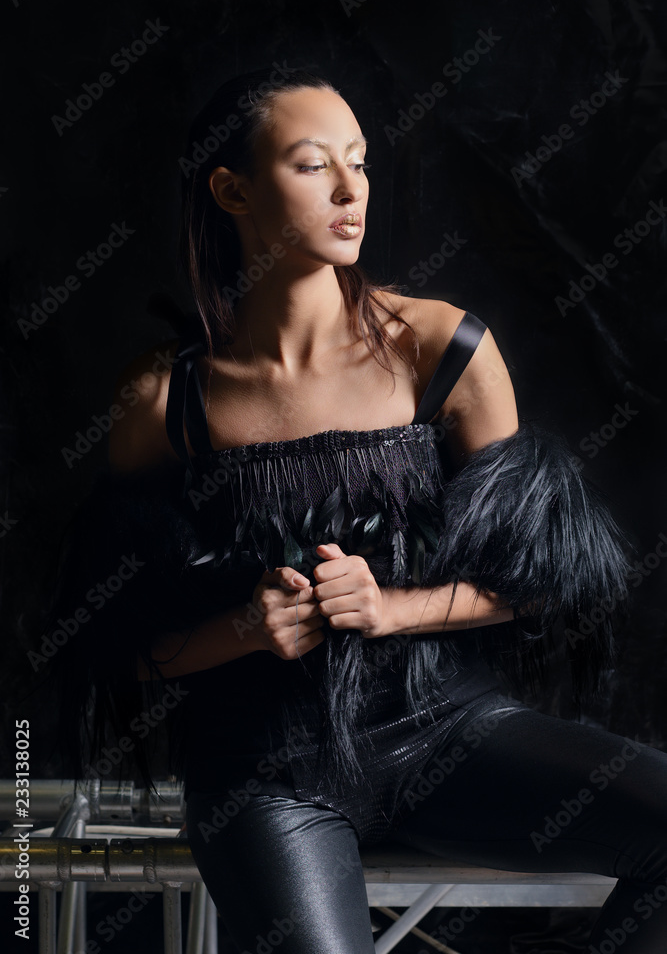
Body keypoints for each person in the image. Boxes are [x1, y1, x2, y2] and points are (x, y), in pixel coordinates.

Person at [47, 67, 667, 953]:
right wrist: (246, 628)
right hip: (267, 776)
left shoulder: (440, 346)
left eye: (360, 163)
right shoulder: (166, 400)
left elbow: (534, 584)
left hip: (451, 732)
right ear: (231, 190)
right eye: (312, 166)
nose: (350, 191)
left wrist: (390, 609)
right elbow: (113, 647)